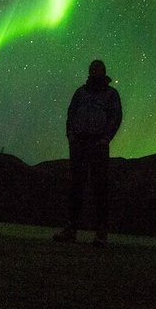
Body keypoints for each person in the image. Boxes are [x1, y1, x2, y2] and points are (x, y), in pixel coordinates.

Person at [53, 59, 122, 246]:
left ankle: (101, 232)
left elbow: (115, 117)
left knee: (100, 188)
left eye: (97, 69)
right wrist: (71, 135)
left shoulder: (111, 94)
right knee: (76, 187)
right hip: (80, 144)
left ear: (103, 72)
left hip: (98, 144)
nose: (94, 72)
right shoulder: (80, 93)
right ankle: (71, 229)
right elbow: (71, 112)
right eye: (92, 69)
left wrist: (105, 138)